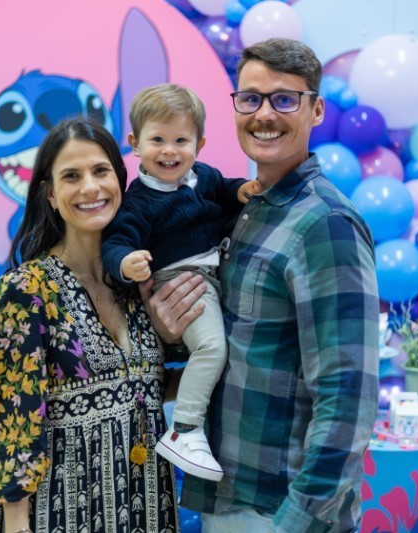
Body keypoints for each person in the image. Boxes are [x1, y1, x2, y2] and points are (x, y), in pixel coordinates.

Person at [181, 38, 380, 533]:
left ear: (316, 111)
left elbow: (348, 395)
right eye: (251, 98)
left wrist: (299, 521)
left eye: (285, 99)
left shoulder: (325, 223)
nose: (264, 114)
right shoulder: (251, 210)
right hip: (231, 497)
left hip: (279, 511)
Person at [0, 116, 207, 533]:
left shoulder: (139, 280)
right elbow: (11, 416)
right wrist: (16, 522)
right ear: (49, 193)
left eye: (101, 171)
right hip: (61, 509)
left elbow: (149, 386)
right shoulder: (26, 289)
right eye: (71, 176)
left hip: (147, 503)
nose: (90, 188)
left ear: (120, 180)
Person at [102, 83, 260, 483]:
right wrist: (127, 263)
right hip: (180, 280)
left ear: (199, 145)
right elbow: (116, 243)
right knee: (211, 346)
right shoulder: (139, 201)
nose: (169, 151)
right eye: (157, 140)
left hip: (212, 274)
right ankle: (185, 429)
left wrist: (241, 190)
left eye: (180, 141)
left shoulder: (202, 176)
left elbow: (224, 189)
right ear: (135, 144)